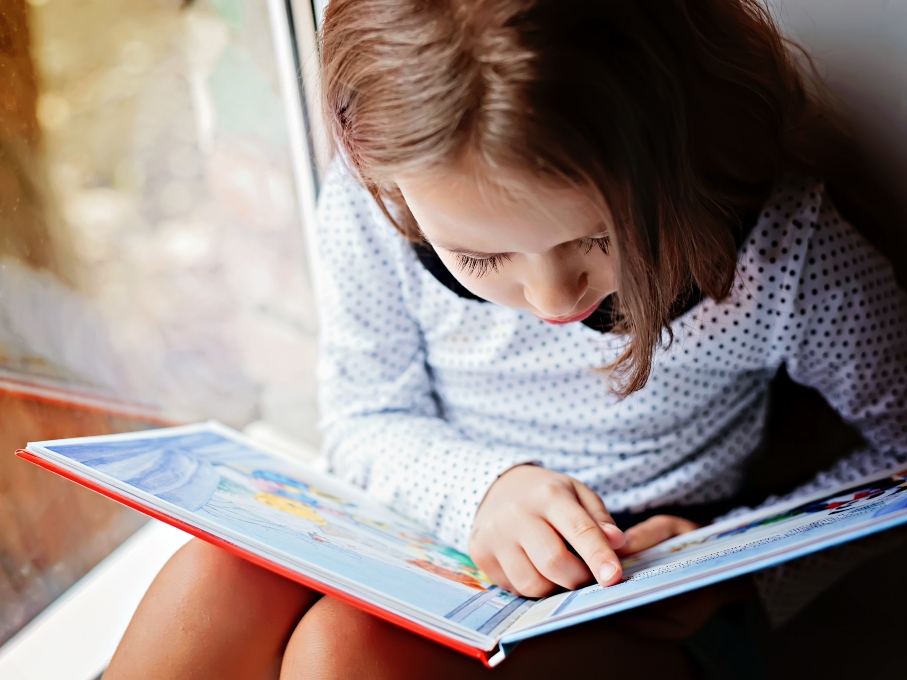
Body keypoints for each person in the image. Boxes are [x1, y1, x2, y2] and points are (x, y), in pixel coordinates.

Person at [104, 0, 907, 678]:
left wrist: (727, 562)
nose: (550, 296)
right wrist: (483, 491)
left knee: (346, 653)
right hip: (431, 543)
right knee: (218, 575)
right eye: (480, 257)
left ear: (677, 150)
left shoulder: (783, 258)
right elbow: (361, 418)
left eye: (599, 238)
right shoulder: (378, 205)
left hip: (645, 602)